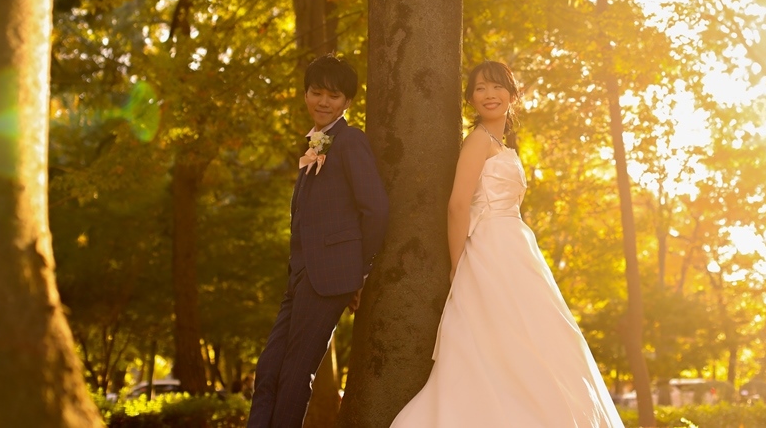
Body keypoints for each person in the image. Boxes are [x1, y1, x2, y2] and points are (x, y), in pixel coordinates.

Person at [390, 61, 624, 427]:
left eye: (498, 87)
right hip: (487, 248)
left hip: (515, 248)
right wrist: (457, 265)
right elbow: (457, 206)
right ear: (470, 99)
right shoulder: (478, 141)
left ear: (513, 96)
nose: (489, 95)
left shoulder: (502, 145)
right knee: (492, 340)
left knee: (529, 339)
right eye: (480, 88)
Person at [247, 55, 389, 428]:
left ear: (347, 102)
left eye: (333, 95)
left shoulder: (351, 141)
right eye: (316, 92)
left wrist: (359, 273)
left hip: (329, 278)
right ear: (306, 94)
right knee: (267, 371)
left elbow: (375, 210)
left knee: (295, 374)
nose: (323, 102)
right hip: (299, 276)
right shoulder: (316, 145)